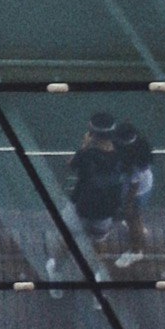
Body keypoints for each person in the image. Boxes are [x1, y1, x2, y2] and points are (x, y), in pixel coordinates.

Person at [69, 112, 155, 268]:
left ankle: (136, 251)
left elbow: (133, 186)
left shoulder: (131, 162)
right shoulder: (139, 147)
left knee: (133, 218)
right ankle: (137, 228)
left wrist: (127, 205)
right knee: (132, 217)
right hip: (140, 185)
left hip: (136, 191)